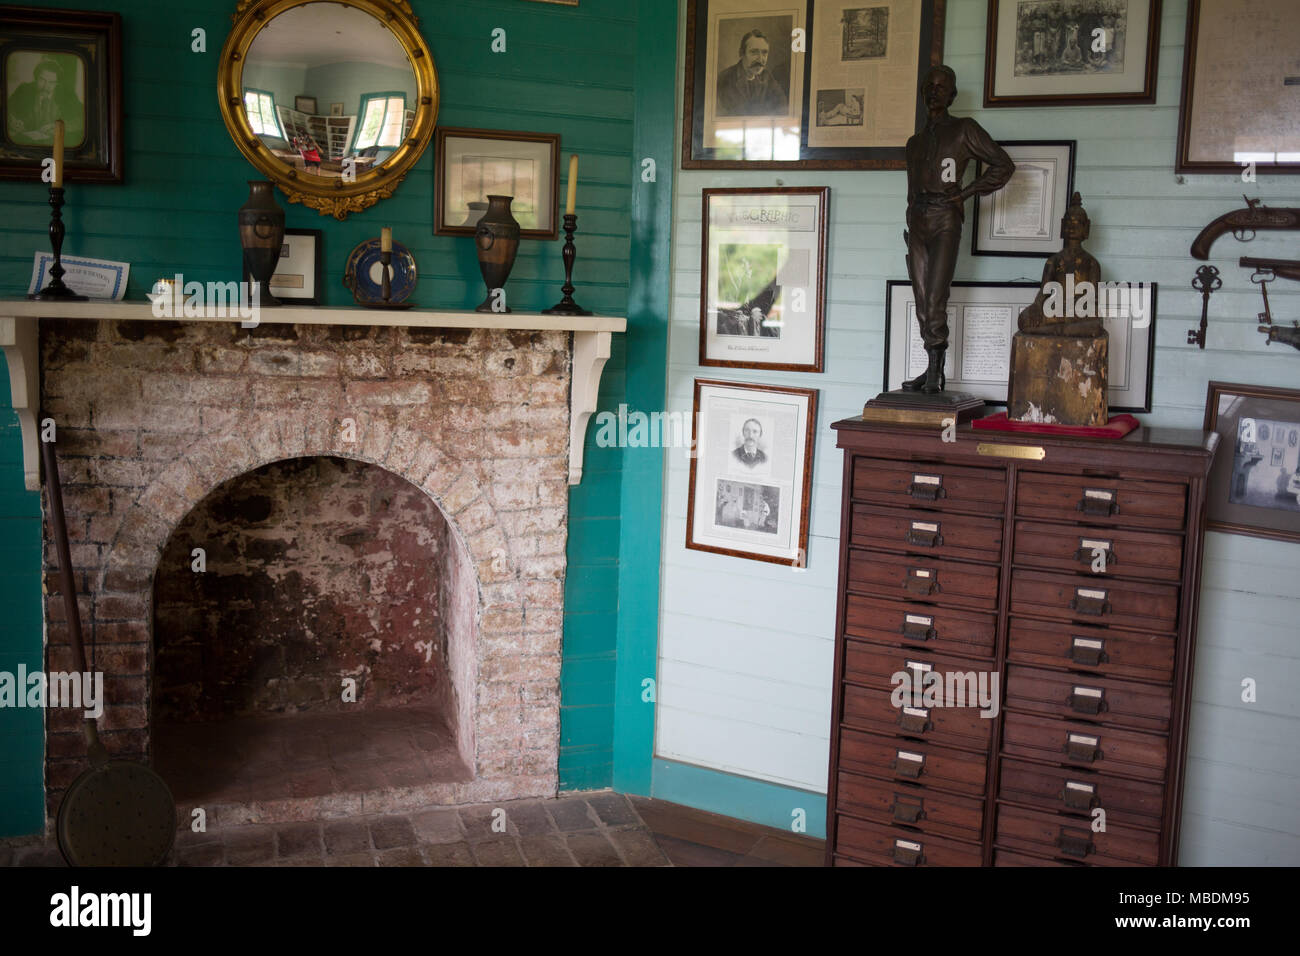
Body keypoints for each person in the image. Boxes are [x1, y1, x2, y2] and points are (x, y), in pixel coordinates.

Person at [902, 65, 1014, 393]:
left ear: (951, 95)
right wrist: (910, 223)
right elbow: (911, 188)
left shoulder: (964, 130)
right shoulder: (915, 142)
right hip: (918, 219)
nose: (934, 91)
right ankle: (931, 365)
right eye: (929, 85)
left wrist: (964, 194)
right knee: (921, 296)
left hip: (945, 218)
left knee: (936, 293)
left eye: (942, 86)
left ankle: (936, 371)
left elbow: (1003, 165)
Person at [1016, 192, 1105, 337]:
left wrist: (1075, 307)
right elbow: (1044, 292)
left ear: (1086, 228)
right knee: (1024, 319)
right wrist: (1037, 306)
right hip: (1056, 310)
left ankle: (1048, 331)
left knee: (1096, 323)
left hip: (1079, 312)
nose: (1072, 227)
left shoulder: (1091, 263)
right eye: (1069, 223)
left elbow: (1092, 299)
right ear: (1063, 225)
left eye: (1077, 224)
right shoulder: (1054, 260)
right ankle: (1063, 330)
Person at [6, 56, 85, 147]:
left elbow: (82, 118)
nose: (46, 86)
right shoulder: (24, 89)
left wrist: (60, 127)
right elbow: (6, 109)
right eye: (42, 80)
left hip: (56, 145)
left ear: (57, 83)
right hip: (27, 144)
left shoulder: (67, 94)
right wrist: (12, 120)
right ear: (36, 78)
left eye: (51, 82)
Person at [716, 29, 787, 116]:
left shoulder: (767, 77)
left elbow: (782, 106)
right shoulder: (724, 79)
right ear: (741, 53)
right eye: (754, 52)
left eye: (764, 53)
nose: (760, 59)